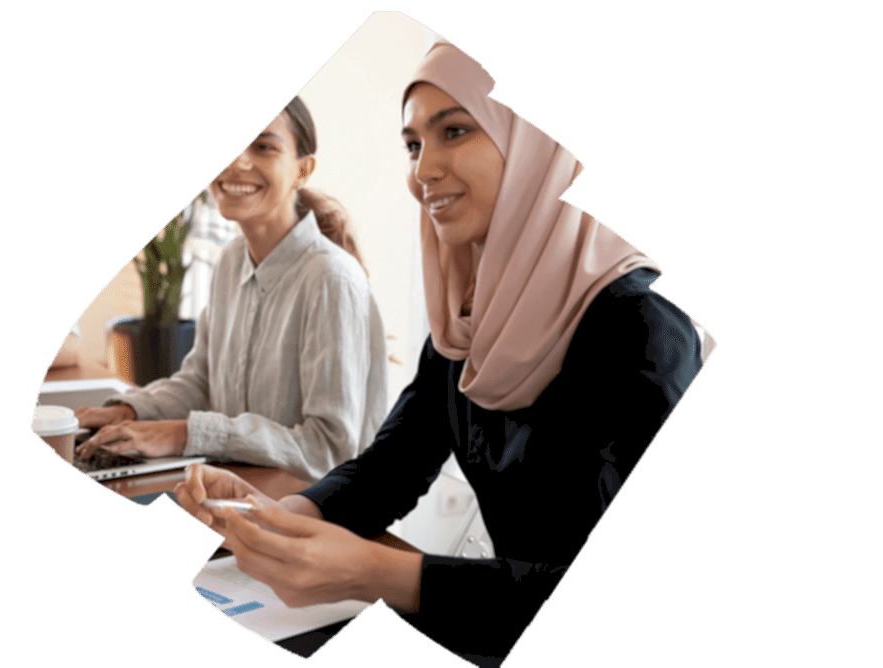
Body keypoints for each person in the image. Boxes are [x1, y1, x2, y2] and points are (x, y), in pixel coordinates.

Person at [175, 43, 715, 666]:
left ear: (542, 147)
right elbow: (389, 469)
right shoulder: (467, 322)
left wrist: (383, 574)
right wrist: (277, 516)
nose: (422, 171)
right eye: (412, 145)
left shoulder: (644, 330)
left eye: (455, 131)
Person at [74, 96, 389, 484]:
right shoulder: (232, 260)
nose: (237, 161)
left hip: (306, 519)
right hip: (240, 496)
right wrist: (130, 411)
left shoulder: (330, 279)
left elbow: (328, 449)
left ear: (303, 170)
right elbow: (201, 382)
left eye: (263, 146)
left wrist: (186, 433)